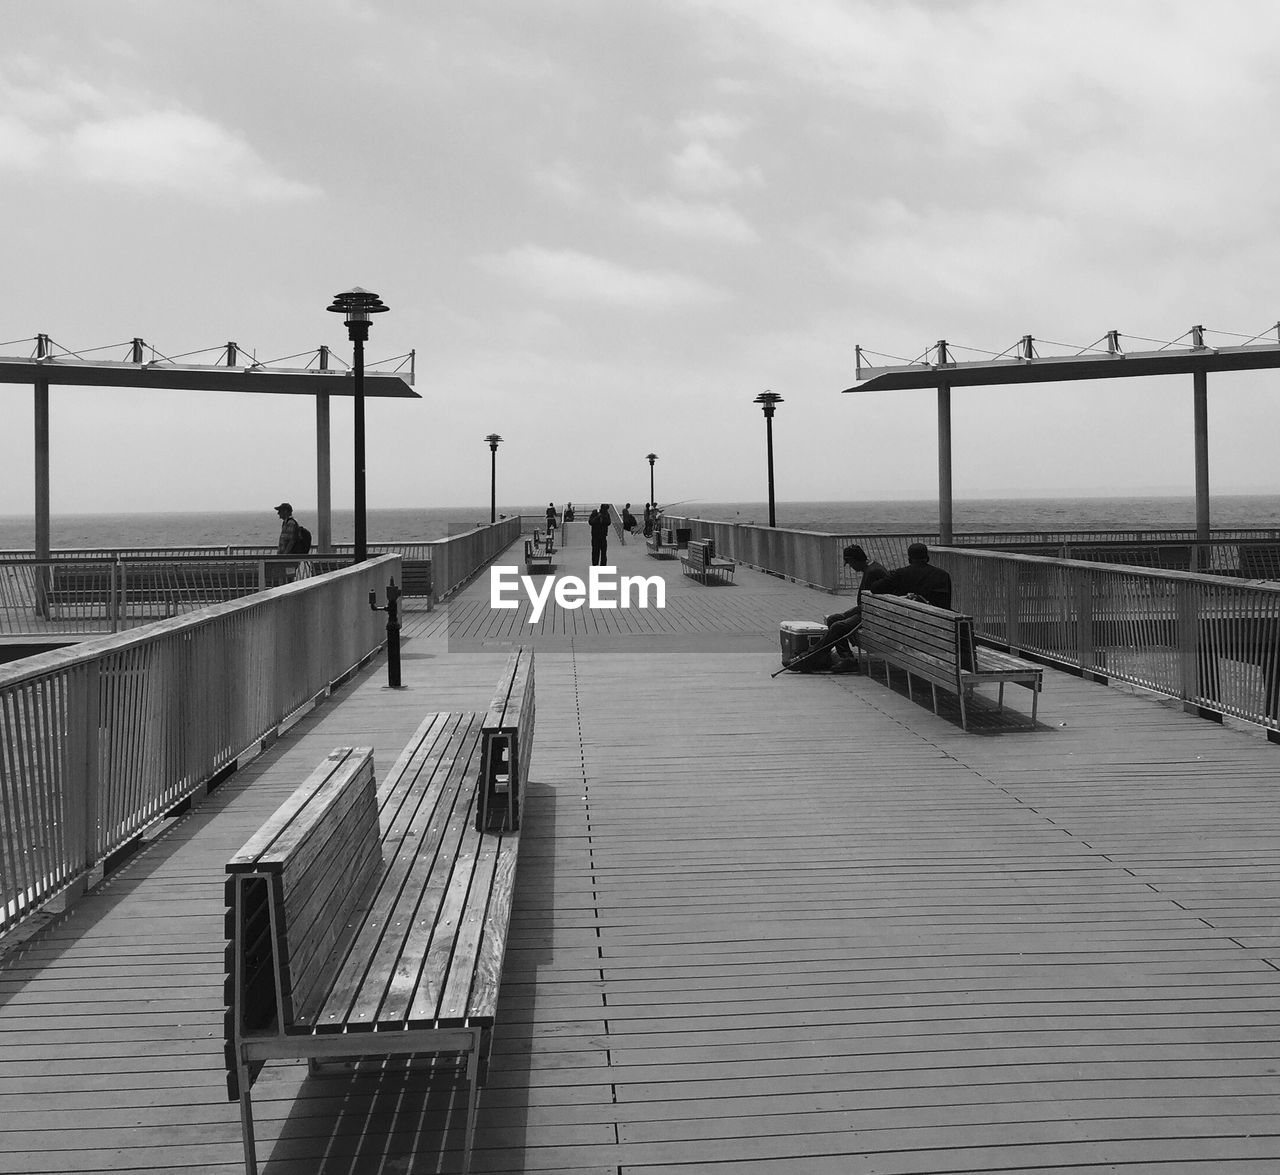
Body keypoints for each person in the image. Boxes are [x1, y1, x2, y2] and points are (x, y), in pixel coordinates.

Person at [823, 545, 888, 670]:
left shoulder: (873, 572)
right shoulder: (871, 569)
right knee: (832, 619)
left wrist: (850, 612)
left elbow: (869, 604)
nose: (851, 567)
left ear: (855, 560)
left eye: (850, 563)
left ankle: (819, 654)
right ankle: (845, 657)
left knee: (838, 625)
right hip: (868, 611)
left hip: (872, 615)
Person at [869, 542, 953, 610]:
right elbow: (945, 604)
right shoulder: (943, 575)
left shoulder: (900, 573)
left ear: (909, 559)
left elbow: (875, 588)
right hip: (937, 620)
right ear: (927, 558)